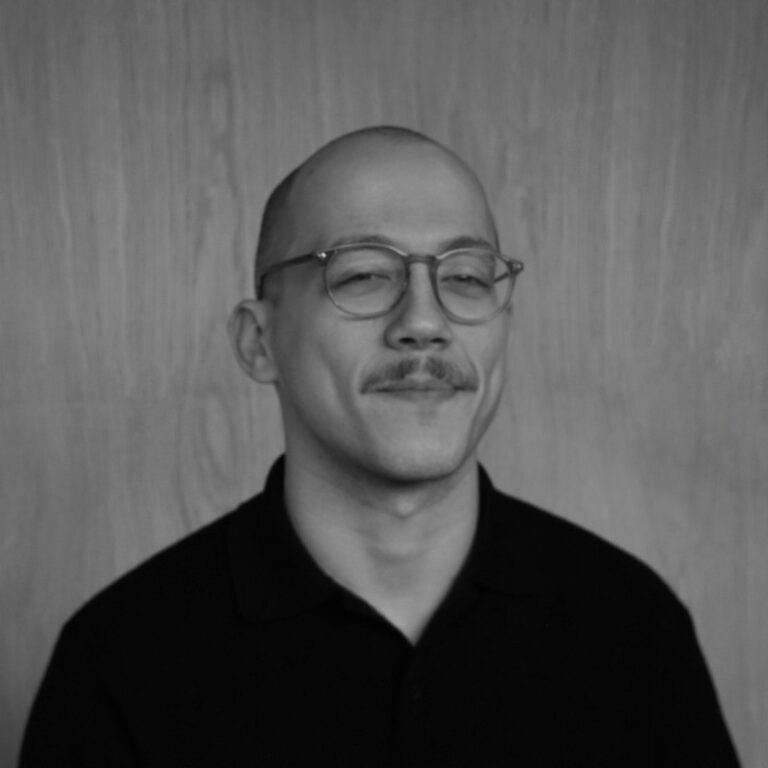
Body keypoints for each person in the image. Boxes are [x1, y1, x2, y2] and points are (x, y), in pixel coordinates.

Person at [20, 126, 740, 767]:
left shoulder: (633, 630)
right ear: (259, 341)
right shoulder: (120, 662)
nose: (424, 321)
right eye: (363, 274)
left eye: (465, 276)